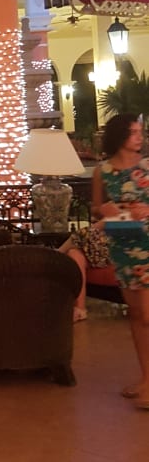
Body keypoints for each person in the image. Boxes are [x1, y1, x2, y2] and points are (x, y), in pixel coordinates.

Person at [91, 113, 149, 409]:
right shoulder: (103, 171)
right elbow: (95, 207)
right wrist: (106, 209)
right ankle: (146, 378)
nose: (140, 137)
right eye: (135, 132)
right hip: (123, 244)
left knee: (148, 316)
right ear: (120, 136)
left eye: (141, 132)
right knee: (136, 315)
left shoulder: (147, 167)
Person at [58, 225, 111, 323]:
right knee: (74, 253)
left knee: (85, 232)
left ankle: (56, 254)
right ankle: (80, 309)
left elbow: (105, 223)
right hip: (108, 242)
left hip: (125, 242)